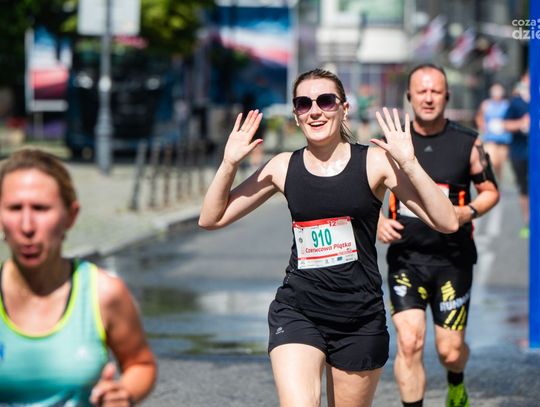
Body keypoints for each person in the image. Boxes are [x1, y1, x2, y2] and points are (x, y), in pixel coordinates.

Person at [199, 68, 458, 407]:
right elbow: (211, 218)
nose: (315, 111)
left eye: (325, 101)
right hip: (298, 310)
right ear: (296, 115)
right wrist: (229, 163)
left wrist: (409, 163)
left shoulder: (374, 163)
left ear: (344, 109)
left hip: (359, 317)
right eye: (303, 104)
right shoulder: (282, 166)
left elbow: (447, 221)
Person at [377, 64, 499, 407]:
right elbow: (364, 190)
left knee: (450, 351)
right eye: (422, 91)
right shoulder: (394, 143)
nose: (428, 98)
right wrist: (378, 222)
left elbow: (490, 191)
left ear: (447, 96)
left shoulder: (468, 142)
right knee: (409, 342)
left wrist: (466, 212)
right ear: (410, 96)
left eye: (435, 91)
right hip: (406, 259)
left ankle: (456, 382)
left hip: (452, 261)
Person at [0, 149, 157, 406]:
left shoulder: (103, 293)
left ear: (70, 216)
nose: (27, 226)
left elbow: (141, 364)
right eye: (15, 208)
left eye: (41, 209)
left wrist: (123, 393)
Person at [504, 71, 530, 239]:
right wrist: (522, 123)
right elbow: (505, 124)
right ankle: (528, 223)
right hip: (519, 153)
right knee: (524, 189)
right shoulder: (516, 102)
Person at [475, 82, 512, 181]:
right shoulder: (486, 104)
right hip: (490, 139)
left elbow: (510, 119)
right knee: (492, 162)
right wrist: (484, 127)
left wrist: (503, 125)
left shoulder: (506, 105)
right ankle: (493, 182)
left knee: (500, 165)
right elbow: (479, 118)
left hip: (503, 139)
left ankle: (498, 184)